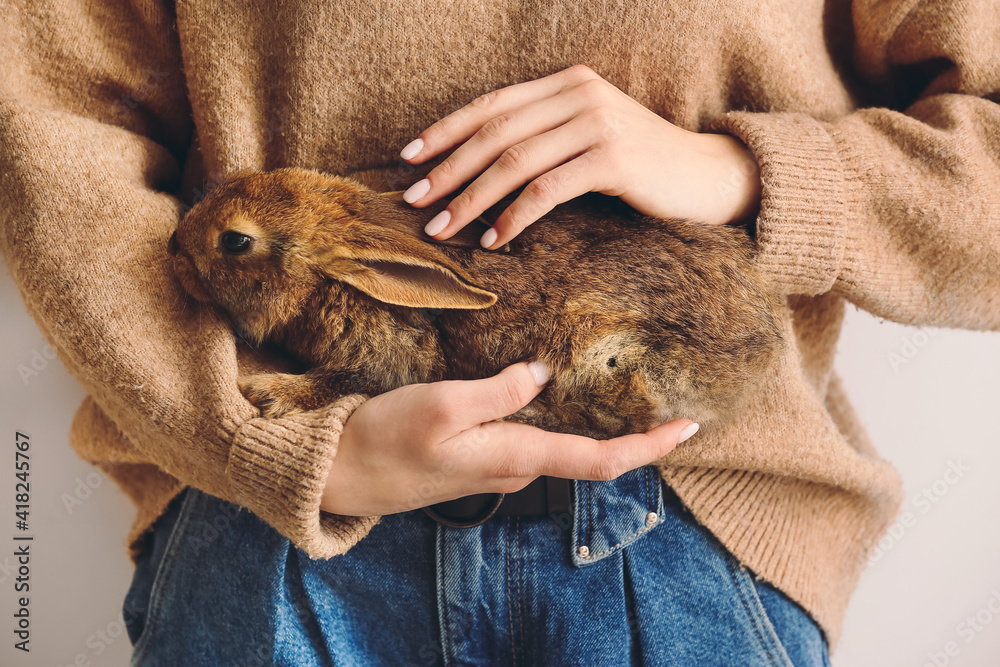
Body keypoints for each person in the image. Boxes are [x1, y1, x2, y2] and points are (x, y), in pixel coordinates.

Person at [1, 0, 997, 665]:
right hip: (273, 525)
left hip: (696, 529)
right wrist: (253, 436)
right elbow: (53, 125)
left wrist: (750, 173)